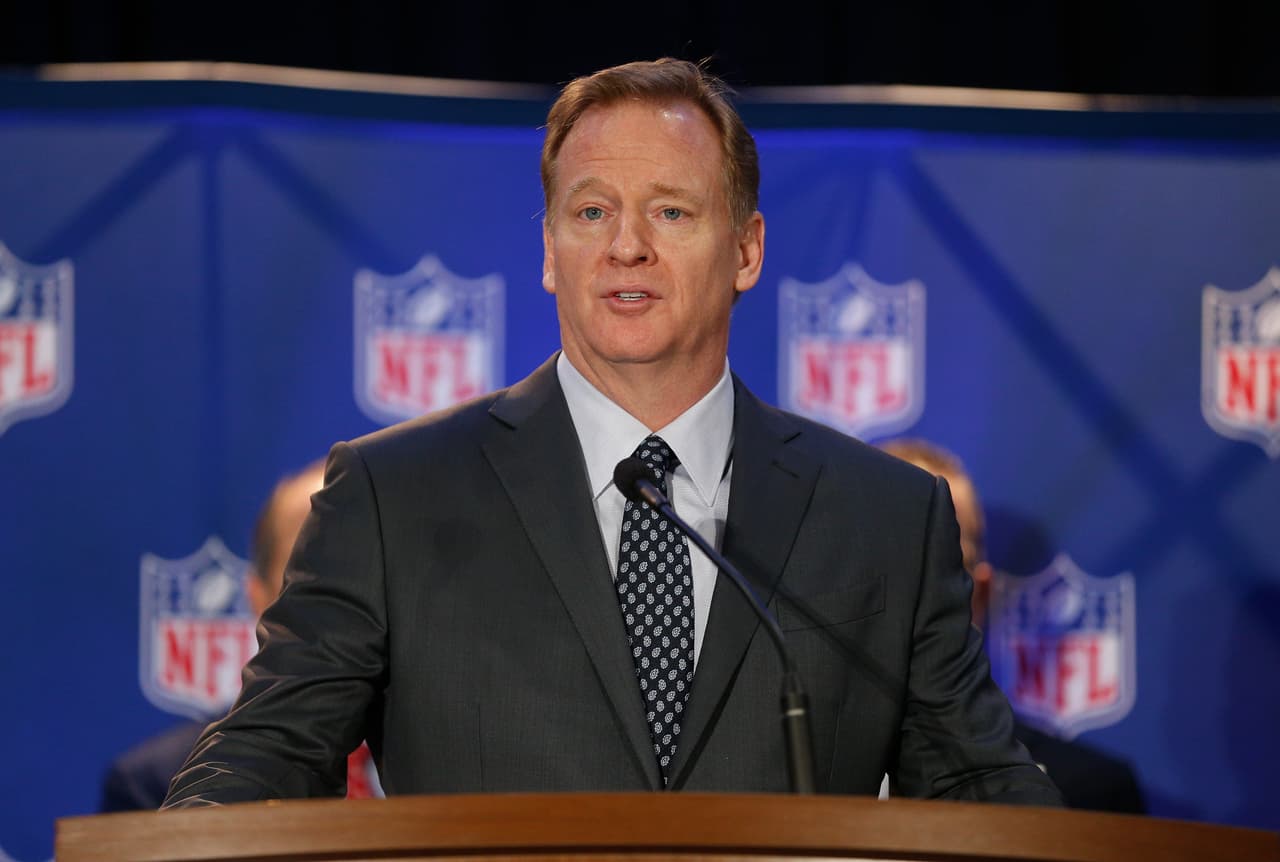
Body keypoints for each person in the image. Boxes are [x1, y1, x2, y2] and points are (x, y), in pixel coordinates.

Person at [164, 58, 1060, 806]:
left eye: (671, 211)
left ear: (747, 249)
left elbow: (981, 792)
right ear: (550, 252)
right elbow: (264, 761)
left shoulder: (886, 518)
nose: (626, 245)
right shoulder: (392, 496)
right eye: (591, 212)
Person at [879, 438, 1145, 813]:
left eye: (941, 565)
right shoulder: (796, 773)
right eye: (886, 562)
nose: (912, 590)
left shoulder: (1091, 792)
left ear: (981, 594)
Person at [100, 462, 379, 811]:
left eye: (367, 571)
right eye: (319, 576)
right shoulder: (154, 784)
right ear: (258, 599)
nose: (349, 600)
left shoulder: (444, 763)